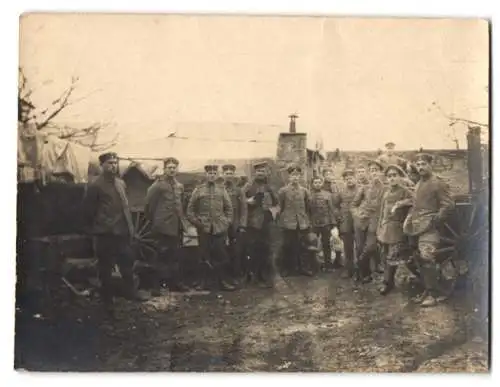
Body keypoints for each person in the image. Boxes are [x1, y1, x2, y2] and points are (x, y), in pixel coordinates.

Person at [82, 152, 147, 312]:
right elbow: (87, 211)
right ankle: (107, 300)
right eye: (110, 163)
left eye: (115, 163)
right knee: (105, 268)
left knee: (127, 263)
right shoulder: (95, 185)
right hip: (105, 234)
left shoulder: (120, 183)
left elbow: (125, 208)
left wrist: (129, 229)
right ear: (102, 165)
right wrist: (98, 229)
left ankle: (130, 292)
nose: (113, 166)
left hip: (122, 233)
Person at [403, 153, 454, 307]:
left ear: (430, 165)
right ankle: (429, 289)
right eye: (418, 165)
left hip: (431, 228)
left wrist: (436, 220)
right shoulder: (418, 184)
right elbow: (415, 206)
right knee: (416, 259)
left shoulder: (438, 183)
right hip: (417, 227)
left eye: (423, 164)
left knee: (427, 257)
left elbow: (448, 204)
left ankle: (433, 295)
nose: (420, 167)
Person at [144, 157, 191, 295]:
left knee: (175, 256)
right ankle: (156, 286)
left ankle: (174, 284)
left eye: (174, 167)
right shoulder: (158, 185)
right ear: (164, 169)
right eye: (169, 167)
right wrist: (157, 221)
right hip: (162, 227)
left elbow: (180, 206)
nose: (172, 170)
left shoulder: (179, 186)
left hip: (176, 226)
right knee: (159, 256)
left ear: (177, 169)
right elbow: (148, 205)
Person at [186, 164, 235, 291]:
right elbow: (190, 210)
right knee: (204, 255)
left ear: (217, 175)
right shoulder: (199, 190)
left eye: (214, 173)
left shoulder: (222, 189)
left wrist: (226, 222)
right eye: (209, 173)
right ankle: (202, 282)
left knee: (221, 255)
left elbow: (229, 208)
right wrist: (198, 223)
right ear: (206, 174)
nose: (212, 175)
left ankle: (223, 281)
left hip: (219, 228)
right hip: (204, 228)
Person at [240, 161, 279, 287]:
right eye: (258, 171)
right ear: (254, 173)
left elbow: (277, 203)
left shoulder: (269, 187)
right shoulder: (248, 186)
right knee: (252, 250)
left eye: (263, 171)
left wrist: (273, 212)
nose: (260, 173)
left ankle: (265, 276)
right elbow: (239, 200)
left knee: (266, 250)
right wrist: (247, 201)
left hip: (266, 223)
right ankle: (253, 277)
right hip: (252, 223)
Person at [376, 164, 414, 295]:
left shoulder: (405, 191)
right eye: (389, 176)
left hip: (398, 229)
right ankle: (389, 281)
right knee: (385, 255)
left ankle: (387, 283)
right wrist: (380, 227)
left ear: (399, 177)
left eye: (394, 175)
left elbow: (414, 201)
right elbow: (382, 211)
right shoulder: (386, 192)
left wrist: (400, 203)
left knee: (394, 256)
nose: (392, 178)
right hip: (386, 228)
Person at [351, 159, 386, 283]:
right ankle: (365, 274)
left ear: (381, 172)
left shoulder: (386, 188)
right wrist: (358, 214)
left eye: (376, 170)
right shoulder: (364, 188)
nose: (374, 173)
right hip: (361, 222)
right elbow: (353, 205)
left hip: (376, 222)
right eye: (371, 171)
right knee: (360, 247)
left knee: (371, 246)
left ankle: (357, 267)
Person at [278, 165, 313, 276]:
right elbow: (280, 207)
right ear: (289, 177)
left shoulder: (304, 191)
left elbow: (308, 207)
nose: (295, 178)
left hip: (302, 223)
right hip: (288, 223)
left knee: (303, 246)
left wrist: (306, 220)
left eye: (297, 175)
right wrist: (283, 221)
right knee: (287, 246)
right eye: (293, 175)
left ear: (300, 177)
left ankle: (304, 268)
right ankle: (287, 269)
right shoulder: (283, 191)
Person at [221, 164, 247, 284]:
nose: (229, 176)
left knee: (236, 251)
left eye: (231, 173)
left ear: (234, 175)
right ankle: (225, 276)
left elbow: (243, 208)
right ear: (223, 175)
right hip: (222, 225)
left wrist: (242, 224)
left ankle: (236, 275)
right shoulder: (219, 189)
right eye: (226, 173)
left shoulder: (238, 190)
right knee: (223, 251)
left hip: (235, 225)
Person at [309, 176, 338, 272]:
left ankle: (328, 265)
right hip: (314, 224)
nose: (317, 184)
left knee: (326, 244)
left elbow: (331, 209)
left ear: (322, 183)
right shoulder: (309, 195)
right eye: (315, 182)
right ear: (312, 184)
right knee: (312, 244)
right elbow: (307, 210)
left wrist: (333, 223)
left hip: (326, 223)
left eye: (319, 182)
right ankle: (313, 265)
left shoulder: (327, 194)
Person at [338, 168, 358, 279]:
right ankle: (348, 269)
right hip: (346, 222)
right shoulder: (341, 191)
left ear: (355, 178)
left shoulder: (361, 190)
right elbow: (335, 206)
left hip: (358, 221)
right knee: (347, 247)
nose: (349, 180)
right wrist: (339, 217)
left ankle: (360, 269)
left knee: (360, 247)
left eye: (351, 178)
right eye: (347, 179)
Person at [321, 166, 342, 268]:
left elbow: (339, 200)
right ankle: (327, 262)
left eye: (330, 174)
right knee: (327, 240)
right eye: (326, 174)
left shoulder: (336, 187)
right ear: (323, 176)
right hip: (326, 217)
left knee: (338, 238)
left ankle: (338, 260)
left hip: (336, 215)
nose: (329, 176)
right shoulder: (321, 187)